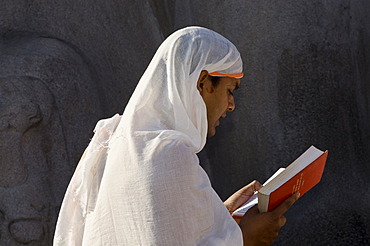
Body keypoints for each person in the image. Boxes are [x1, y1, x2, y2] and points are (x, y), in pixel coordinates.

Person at [54, 26, 298, 245]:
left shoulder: (112, 141)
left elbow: (153, 230)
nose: (232, 105)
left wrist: (220, 214)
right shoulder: (166, 152)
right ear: (203, 83)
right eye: (230, 90)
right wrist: (246, 238)